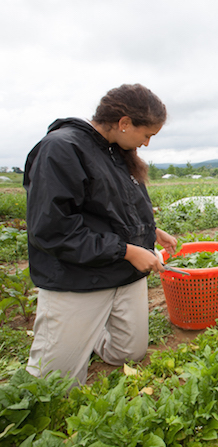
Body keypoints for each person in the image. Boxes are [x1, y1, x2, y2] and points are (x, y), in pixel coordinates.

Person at [23, 83, 178, 386]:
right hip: (78, 276)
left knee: (129, 352)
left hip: (122, 271)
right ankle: (75, 336)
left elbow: (111, 207)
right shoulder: (62, 149)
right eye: (147, 135)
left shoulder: (117, 152)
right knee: (54, 386)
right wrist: (128, 251)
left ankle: (87, 334)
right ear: (123, 123)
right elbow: (52, 229)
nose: (146, 143)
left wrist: (150, 230)